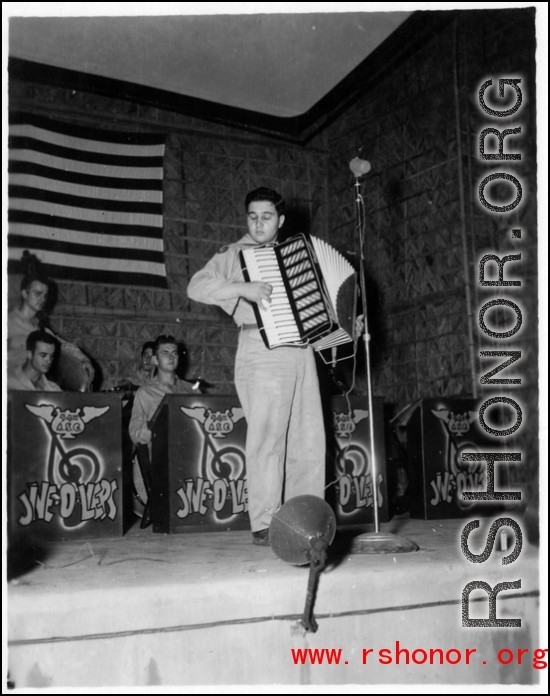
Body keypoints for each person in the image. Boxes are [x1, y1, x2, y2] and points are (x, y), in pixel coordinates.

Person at [187, 187, 326, 546]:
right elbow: (196, 286)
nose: (259, 223)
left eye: (266, 216)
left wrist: (340, 327)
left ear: (280, 220)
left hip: (302, 349)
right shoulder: (234, 253)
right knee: (267, 439)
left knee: (308, 439)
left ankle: (304, 518)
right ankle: (265, 522)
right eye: (252, 216)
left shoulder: (298, 255)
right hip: (260, 348)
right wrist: (240, 288)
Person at [8, 273, 95, 386]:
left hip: (35, 385)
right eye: (38, 293)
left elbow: (62, 345)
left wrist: (84, 359)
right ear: (25, 293)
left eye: (45, 295)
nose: (43, 299)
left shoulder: (40, 328)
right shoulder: (9, 322)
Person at [128, 335, 195, 446]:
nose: (171, 357)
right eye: (165, 353)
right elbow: (135, 434)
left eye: (174, 353)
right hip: (158, 457)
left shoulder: (192, 391)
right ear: (155, 360)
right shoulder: (145, 392)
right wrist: (157, 425)